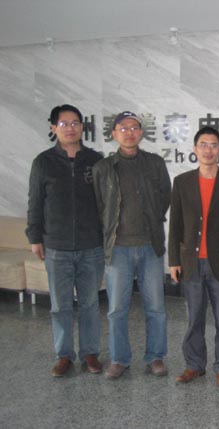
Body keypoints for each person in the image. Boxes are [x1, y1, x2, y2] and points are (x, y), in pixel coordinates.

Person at [26, 104, 105, 377]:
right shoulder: (43, 162)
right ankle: (64, 355)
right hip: (57, 246)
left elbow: (105, 203)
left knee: (90, 303)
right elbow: (35, 202)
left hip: (91, 245)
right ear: (53, 128)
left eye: (75, 123)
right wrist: (35, 237)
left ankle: (90, 353)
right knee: (60, 305)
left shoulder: (95, 160)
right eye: (64, 124)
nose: (70, 128)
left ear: (82, 127)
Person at [92, 111, 171, 380]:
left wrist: (152, 220)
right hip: (118, 248)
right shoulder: (103, 168)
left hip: (150, 246)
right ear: (114, 133)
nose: (129, 132)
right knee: (117, 309)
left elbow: (165, 196)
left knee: (156, 307)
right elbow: (100, 206)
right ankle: (119, 359)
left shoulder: (154, 163)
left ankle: (156, 357)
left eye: (134, 127)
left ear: (141, 132)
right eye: (123, 128)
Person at [168, 127, 219, 388]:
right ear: (194, 149)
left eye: (213, 145)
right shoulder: (182, 182)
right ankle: (194, 365)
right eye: (203, 144)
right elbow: (175, 224)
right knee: (194, 318)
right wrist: (174, 260)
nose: (208, 150)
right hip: (191, 262)